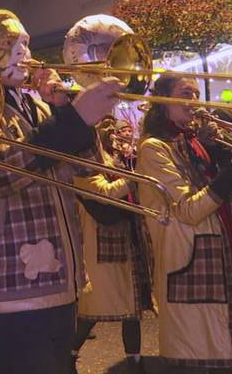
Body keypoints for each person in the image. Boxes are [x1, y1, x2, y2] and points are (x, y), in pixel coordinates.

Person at [0, 9, 122, 373]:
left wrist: (65, 109)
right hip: (10, 289)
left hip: (61, 282)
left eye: (26, 43)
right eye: (11, 45)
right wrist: (71, 119)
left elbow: (90, 168)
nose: (25, 52)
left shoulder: (39, 107)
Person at [135, 73, 232, 373]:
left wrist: (223, 154)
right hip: (194, 264)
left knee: (224, 363)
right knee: (198, 363)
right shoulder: (154, 148)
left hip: (226, 259)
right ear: (163, 101)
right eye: (185, 93)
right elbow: (189, 210)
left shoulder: (194, 143)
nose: (193, 101)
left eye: (195, 93)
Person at [71, 117, 154, 374]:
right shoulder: (80, 164)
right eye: (102, 127)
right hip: (100, 244)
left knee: (132, 308)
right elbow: (102, 192)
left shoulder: (107, 157)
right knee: (91, 310)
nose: (108, 131)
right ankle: (67, 355)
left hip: (124, 239)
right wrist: (136, 176)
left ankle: (135, 361)